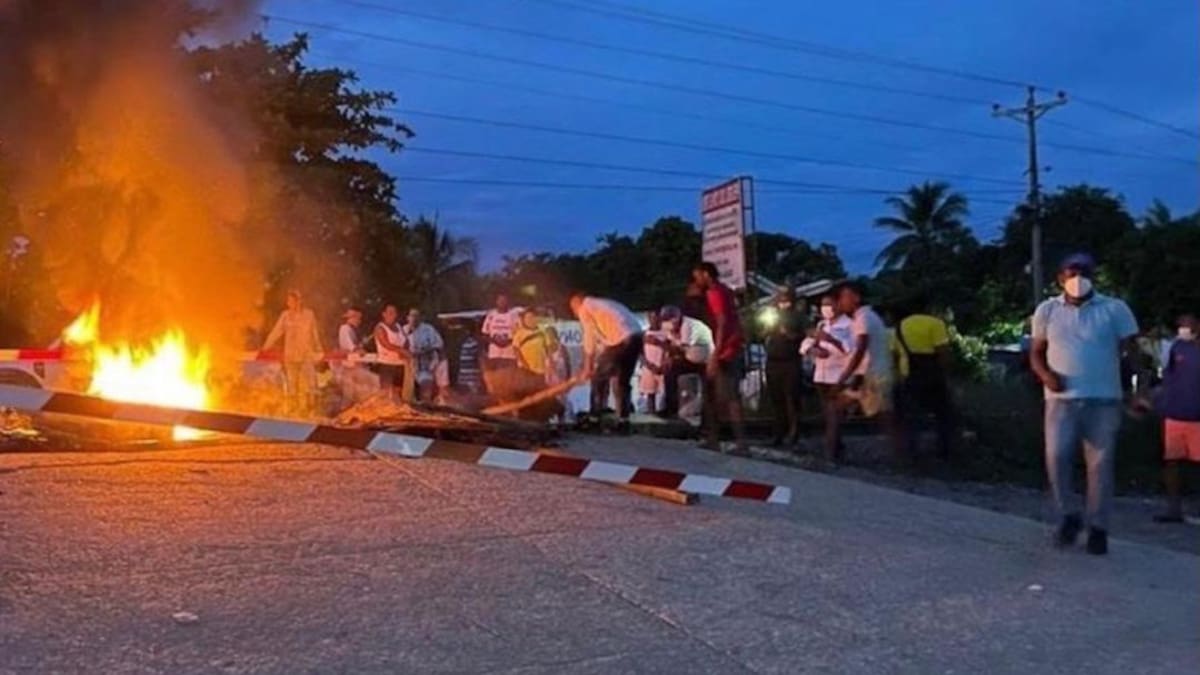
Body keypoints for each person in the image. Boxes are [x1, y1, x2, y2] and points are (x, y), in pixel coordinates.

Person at [1031, 253, 1138, 556]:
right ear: (1060, 278)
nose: (1078, 277)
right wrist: (1045, 375)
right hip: (1060, 399)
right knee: (1056, 456)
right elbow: (1036, 352)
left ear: (1094, 275)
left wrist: (1138, 390)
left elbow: (1132, 352)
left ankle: (1099, 528)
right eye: (1071, 272)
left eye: (1084, 272)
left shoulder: (1114, 309)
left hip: (1104, 398)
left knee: (1101, 465)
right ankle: (1068, 515)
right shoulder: (1047, 310)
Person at [833, 281, 901, 459]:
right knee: (883, 417)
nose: (841, 302)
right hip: (871, 375)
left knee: (884, 417)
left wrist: (846, 375)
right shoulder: (866, 317)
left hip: (873, 376)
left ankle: (901, 454)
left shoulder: (863, 318)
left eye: (843, 297)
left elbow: (861, 349)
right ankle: (834, 449)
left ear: (856, 297)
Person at [691, 262, 748, 456]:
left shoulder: (714, 292)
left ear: (706, 274)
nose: (696, 280)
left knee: (727, 398)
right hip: (729, 348)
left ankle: (739, 443)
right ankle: (715, 439)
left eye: (698, 275)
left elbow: (722, 322)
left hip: (725, 352)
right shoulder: (725, 291)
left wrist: (715, 354)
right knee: (717, 397)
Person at [1149, 314, 1200, 523]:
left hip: (1197, 416)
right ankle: (1174, 510)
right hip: (1174, 414)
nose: (1184, 328)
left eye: (1188, 325)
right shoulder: (1172, 348)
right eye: (1180, 325)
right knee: (1172, 462)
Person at [895, 296, 958, 459]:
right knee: (943, 413)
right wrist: (949, 373)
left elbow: (897, 353)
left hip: (911, 374)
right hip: (933, 375)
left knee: (912, 415)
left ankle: (912, 450)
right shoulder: (935, 324)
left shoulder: (901, 326)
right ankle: (944, 450)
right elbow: (943, 351)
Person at [569, 291, 644, 423]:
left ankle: (595, 415)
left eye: (573, 309)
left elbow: (589, 338)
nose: (574, 313)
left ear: (577, 303)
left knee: (598, 377)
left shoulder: (586, 307)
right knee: (622, 380)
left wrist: (588, 367)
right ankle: (623, 418)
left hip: (621, 340)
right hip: (637, 336)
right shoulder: (605, 304)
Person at [801, 293, 853, 463]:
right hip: (821, 375)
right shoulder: (822, 324)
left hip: (838, 375)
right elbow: (806, 343)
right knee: (830, 414)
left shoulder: (849, 325)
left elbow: (850, 351)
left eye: (829, 304)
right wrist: (812, 350)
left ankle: (830, 453)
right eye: (823, 305)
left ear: (838, 305)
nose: (826, 309)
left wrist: (831, 340)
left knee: (834, 414)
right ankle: (837, 447)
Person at [262, 290, 323, 415]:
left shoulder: (309, 315)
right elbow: (276, 332)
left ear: (298, 301)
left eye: (291, 301)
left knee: (311, 382)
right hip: (290, 355)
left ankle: (312, 410)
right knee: (292, 384)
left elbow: (314, 333)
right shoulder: (285, 315)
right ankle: (293, 409)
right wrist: (265, 346)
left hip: (306, 354)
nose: (289, 304)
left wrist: (319, 349)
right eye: (288, 301)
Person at [763, 288, 807, 447]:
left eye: (785, 297)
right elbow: (761, 333)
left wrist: (788, 334)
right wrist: (767, 330)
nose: (782, 300)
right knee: (776, 399)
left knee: (792, 398)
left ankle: (794, 433)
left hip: (791, 361)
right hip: (773, 360)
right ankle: (778, 433)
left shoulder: (798, 316)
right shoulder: (772, 315)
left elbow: (804, 336)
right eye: (779, 297)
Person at [659, 305, 714, 418]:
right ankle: (671, 408)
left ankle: (708, 412)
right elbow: (672, 345)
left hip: (704, 359)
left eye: (670, 318)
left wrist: (660, 345)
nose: (669, 322)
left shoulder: (689, 325)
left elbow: (682, 348)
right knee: (670, 372)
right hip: (689, 357)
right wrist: (668, 358)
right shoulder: (669, 327)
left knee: (707, 386)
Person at [402, 308, 450, 403]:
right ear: (407, 318)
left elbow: (438, 345)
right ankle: (424, 403)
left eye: (416, 316)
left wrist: (426, 352)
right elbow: (402, 346)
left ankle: (442, 403)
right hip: (414, 362)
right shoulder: (404, 330)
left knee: (439, 385)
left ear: (420, 318)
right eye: (412, 315)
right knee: (420, 383)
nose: (414, 318)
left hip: (432, 360)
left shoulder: (428, 329)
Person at [336, 307, 374, 405]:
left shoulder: (352, 330)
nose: (359, 321)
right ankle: (344, 413)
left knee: (356, 393)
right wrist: (361, 350)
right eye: (358, 318)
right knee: (349, 394)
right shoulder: (345, 328)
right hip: (349, 366)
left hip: (355, 366)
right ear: (352, 318)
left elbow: (355, 346)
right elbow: (352, 348)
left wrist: (362, 344)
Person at [373, 304, 412, 401]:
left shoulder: (398, 326)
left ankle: (397, 411)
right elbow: (385, 344)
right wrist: (401, 350)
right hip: (386, 363)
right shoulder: (380, 328)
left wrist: (405, 350)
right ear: (384, 314)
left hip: (399, 364)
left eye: (394, 313)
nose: (393, 315)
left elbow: (406, 340)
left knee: (397, 391)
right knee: (385, 392)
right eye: (390, 313)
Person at [638, 310, 668, 414]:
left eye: (656, 317)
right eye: (651, 317)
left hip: (663, 367)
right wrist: (648, 365)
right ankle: (651, 413)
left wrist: (659, 343)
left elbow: (671, 349)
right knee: (650, 393)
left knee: (665, 392)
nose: (654, 320)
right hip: (649, 367)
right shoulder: (644, 334)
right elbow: (640, 352)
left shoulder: (666, 333)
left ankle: (664, 412)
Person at [481, 293, 521, 370]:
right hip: (494, 354)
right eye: (500, 300)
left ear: (508, 301)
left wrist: (508, 342)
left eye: (504, 300)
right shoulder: (491, 315)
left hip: (510, 353)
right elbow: (485, 334)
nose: (502, 302)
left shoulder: (514, 315)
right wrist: (495, 342)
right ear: (496, 301)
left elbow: (519, 334)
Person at [544, 325, 574, 421]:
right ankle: (552, 419)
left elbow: (568, 362)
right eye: (548, 335)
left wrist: (569, 378)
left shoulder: (561, 347)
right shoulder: (545, 348)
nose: (550, 337)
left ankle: (562, 419)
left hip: (561, 377)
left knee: (561, 399)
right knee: (550, 399)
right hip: (550, 378)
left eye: (551, 335)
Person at [513, 309, 549, 376]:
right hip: (525, 370)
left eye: (532, 317)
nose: (530, 320)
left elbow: (547, 349)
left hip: (541, 369)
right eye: (527, 318)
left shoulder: (542, 332)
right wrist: (524, 365)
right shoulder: (519, 334)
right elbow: (516, 351)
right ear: (523, 320)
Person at [456, 320, 484, 395]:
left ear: (467, 332)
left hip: (472, 377)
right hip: (464, 376)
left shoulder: (473, 343)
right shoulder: (464, 343)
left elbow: (480, 359)